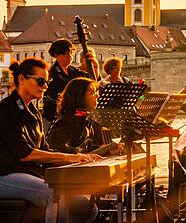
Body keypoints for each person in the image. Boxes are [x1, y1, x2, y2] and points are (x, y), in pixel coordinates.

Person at [0, 58, 100, 221]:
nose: (45, 86)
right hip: (5, 174)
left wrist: (83, 160)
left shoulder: (33, 111)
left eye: (47, 81)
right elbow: (24, 153)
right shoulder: (6, 110)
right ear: (21, 79)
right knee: (55, 195)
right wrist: (69, 157)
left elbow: (45, 149)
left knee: (87, 208)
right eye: (41, 81)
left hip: (30, 173)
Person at [49, 78, 111, 154]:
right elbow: (57, 147)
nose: (97, 95)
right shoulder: (67, 122)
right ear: (79, 97)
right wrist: (79, 154)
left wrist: (109, 149)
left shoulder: (85, 118)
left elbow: (86, 148)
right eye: (92, 93)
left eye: (96, 92)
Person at [43, 39, 98, 125]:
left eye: (71, 53)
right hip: (55, 117)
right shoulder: (52, 73)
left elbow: (92, 81)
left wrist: (95, 67)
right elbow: (51, 96)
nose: (69, 56)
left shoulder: (73, 71)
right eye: (65, 53)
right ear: (56, 55)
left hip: (73, 116)